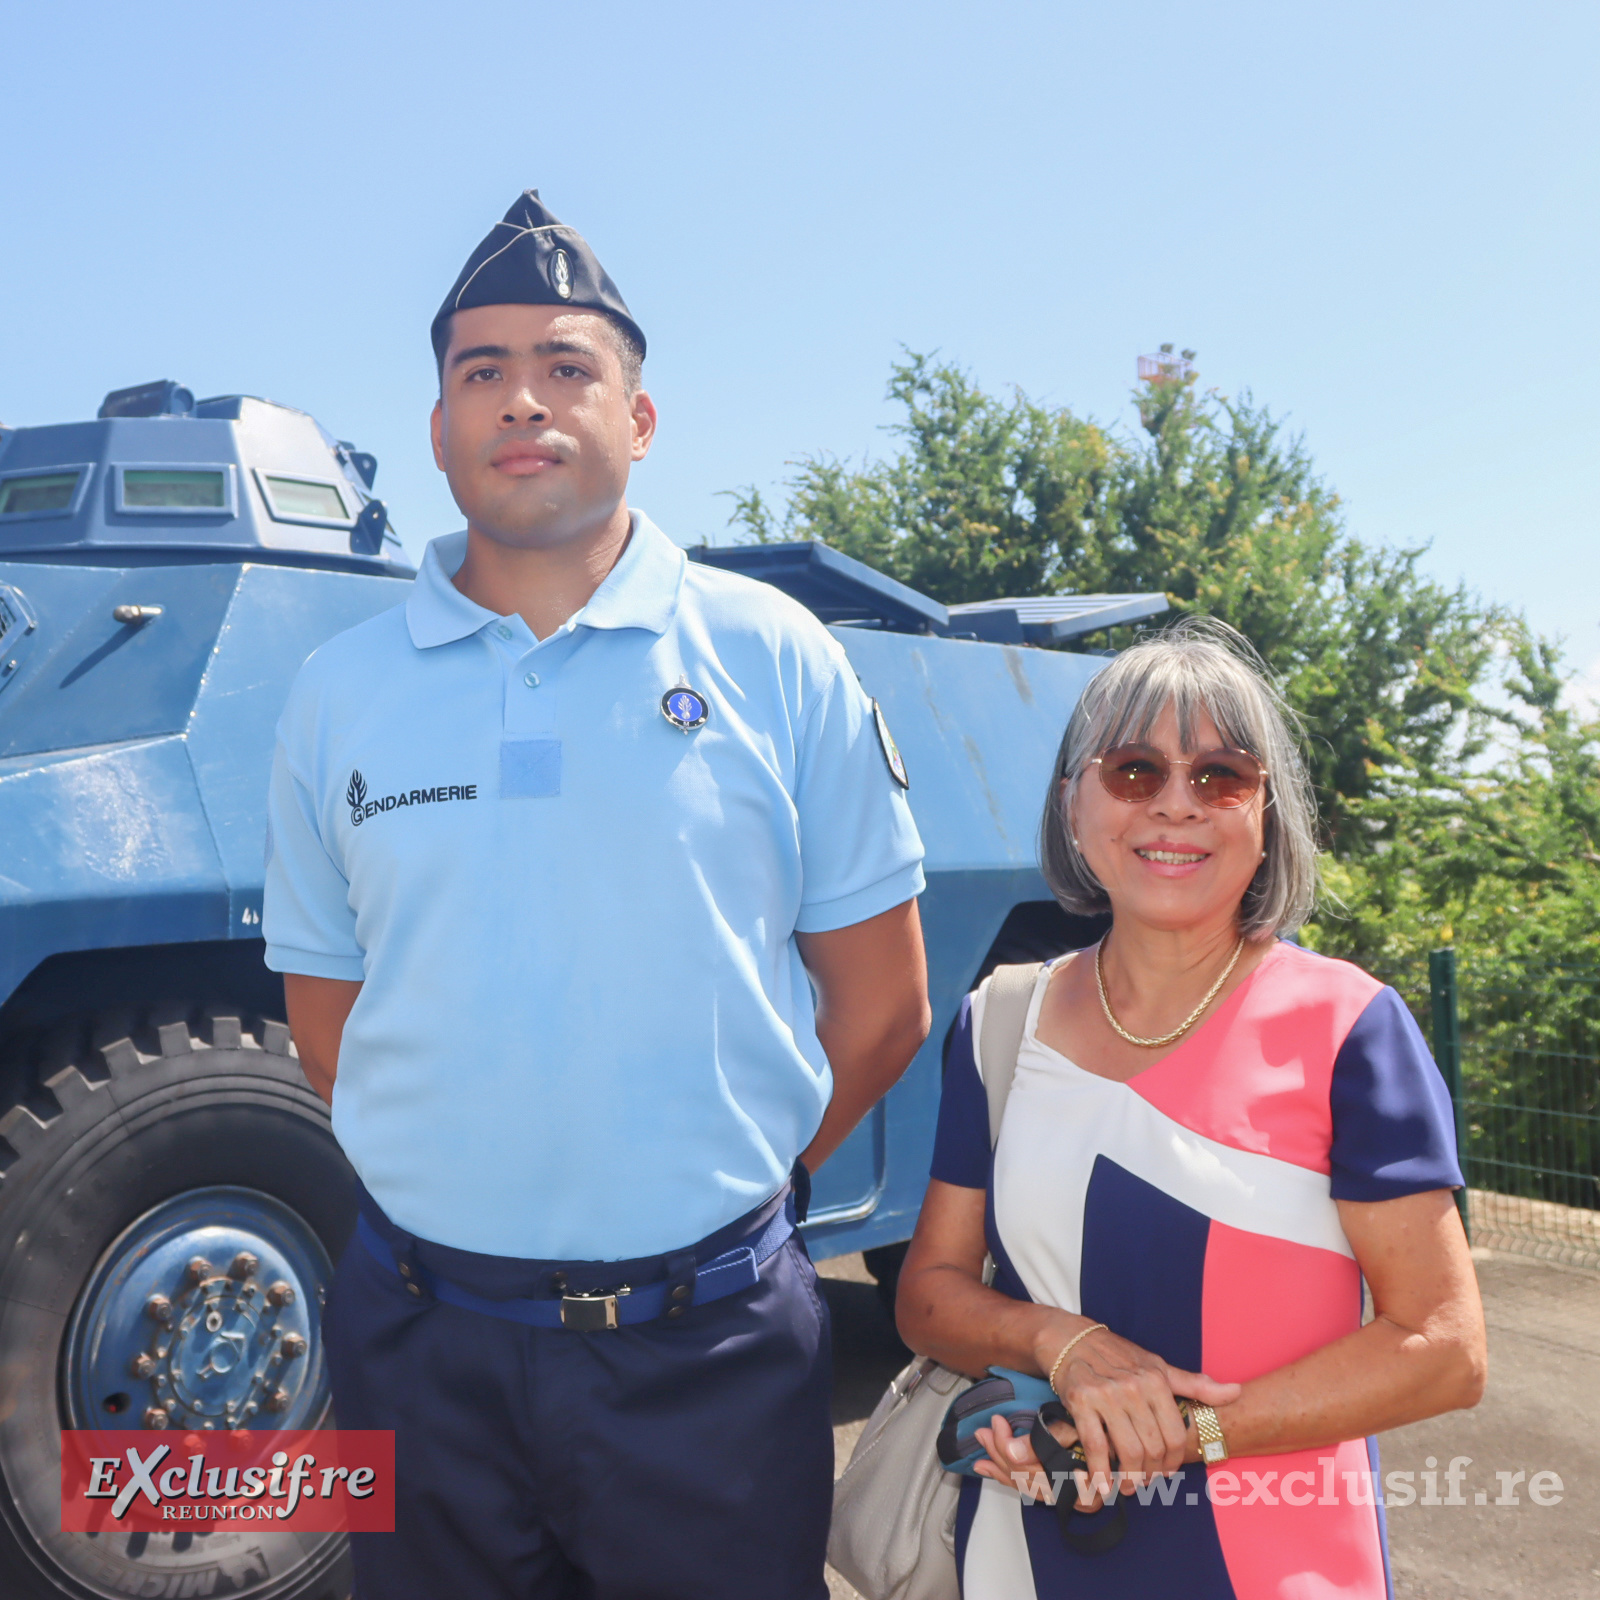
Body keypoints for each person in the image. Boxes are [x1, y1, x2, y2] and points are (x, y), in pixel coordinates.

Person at [262, 189, 931, 1600]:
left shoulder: (778, 656)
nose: (525, 401)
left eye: (569, 367)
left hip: (712, 1359)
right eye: (481, 370)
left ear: (640, 419)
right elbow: (329, 1024)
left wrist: (736, 1201)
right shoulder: (338, 695)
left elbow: (882, 1007)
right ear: (439, 427)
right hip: (418, 1348)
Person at [896, 618, 1486, 1599]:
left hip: (1281, 1568)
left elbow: (1443, 1350)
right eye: (1133, 770)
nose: (1176, 805)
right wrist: (1060, 1344)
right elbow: (928, 1293)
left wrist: (1182, 1435)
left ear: (1268, 816)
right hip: (1020, 1557)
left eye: (1220, 777)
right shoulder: (999, 1020)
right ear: (1072, 805)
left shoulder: (1352, 1027)